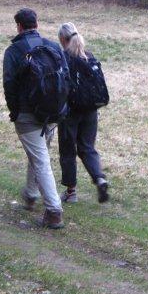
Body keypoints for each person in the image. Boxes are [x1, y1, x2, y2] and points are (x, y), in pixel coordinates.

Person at [3, 7, 67, 229]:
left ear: (19, 26)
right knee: (39, 154)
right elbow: (65, 78)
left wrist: (15, 111)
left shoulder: (13, 51)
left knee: (40, 159)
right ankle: (30, 195)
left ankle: (54, 210)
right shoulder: (52, 46)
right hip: (52, 112)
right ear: (36, 24)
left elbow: (9, 85)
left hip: (27, 115)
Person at [57, 22, 110, 204]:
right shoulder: (89, 56)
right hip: (90, 111)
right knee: (87, 147)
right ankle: (100, 178)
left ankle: (71, 193)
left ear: (62, 39)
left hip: (70, 112)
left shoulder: (63, 58)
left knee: (67, 151)